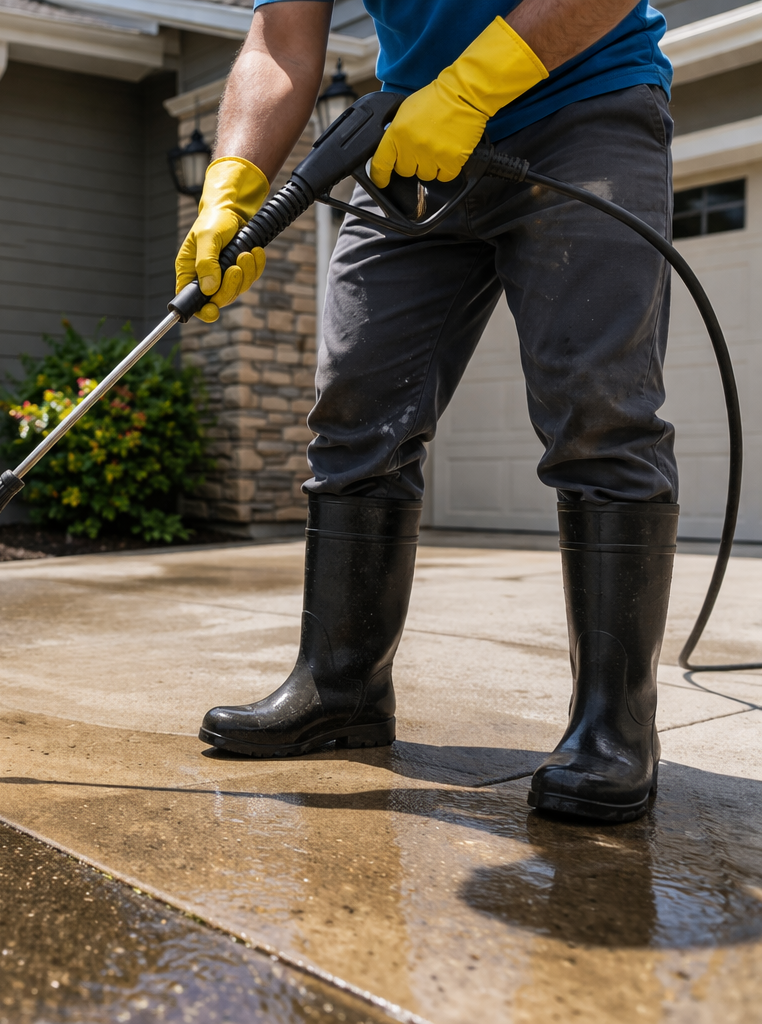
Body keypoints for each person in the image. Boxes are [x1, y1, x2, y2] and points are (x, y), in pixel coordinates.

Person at [185, 0, 677, 824]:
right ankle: (341, 688)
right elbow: (281, 39)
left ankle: (614, 726)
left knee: (600, 414)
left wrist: (474, 89)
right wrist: (231, 183)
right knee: (356, 407)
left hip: (583, 103)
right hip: (415, 137)